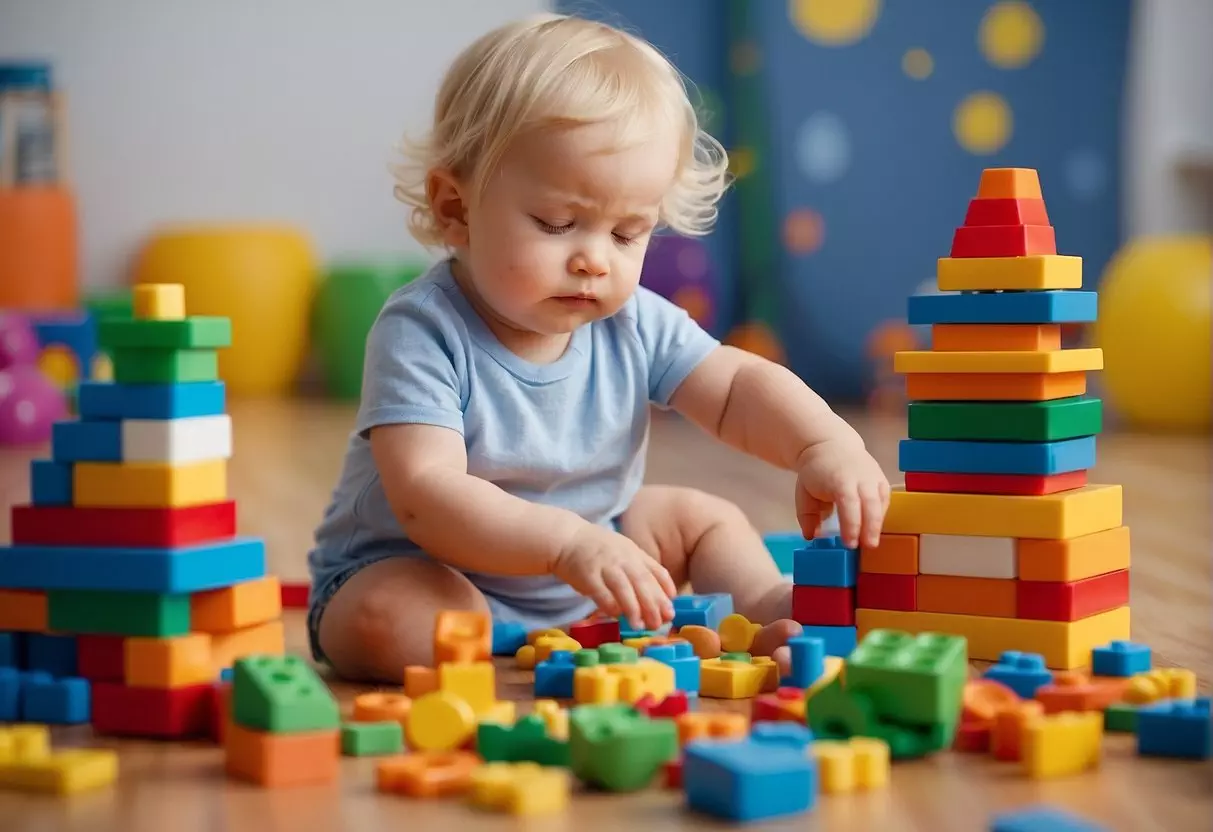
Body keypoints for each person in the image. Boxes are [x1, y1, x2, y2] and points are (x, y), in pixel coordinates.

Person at [307, 13, 890, 682]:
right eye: (558, 224)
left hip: (592, 554)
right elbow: (427, 496)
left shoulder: (633, 321)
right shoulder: (422, 330)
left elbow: (731, 390)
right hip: (431, 566)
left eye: (627, 234)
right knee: (391, 621)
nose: (593, 260)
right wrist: (565, 544)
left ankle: (760, 607)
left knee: (702, 518)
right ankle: (489, 653)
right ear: (454, 208)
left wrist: (824, 445)